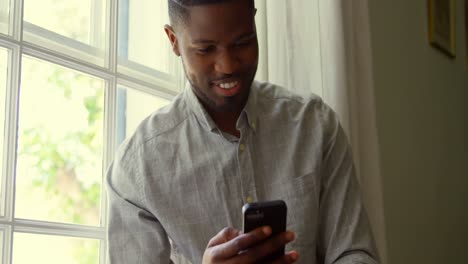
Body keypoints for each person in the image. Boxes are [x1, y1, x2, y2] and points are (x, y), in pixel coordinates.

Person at [106, 0, 380, 263]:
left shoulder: (316, 125)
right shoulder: (136, 170)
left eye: (242, 42)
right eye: (205, 49)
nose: (227, 66)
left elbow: (355, 254)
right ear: (174, 40)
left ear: (254, 22)